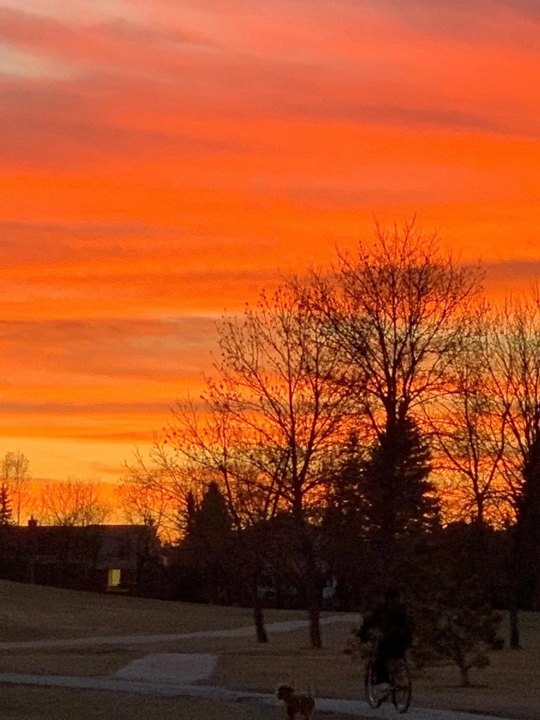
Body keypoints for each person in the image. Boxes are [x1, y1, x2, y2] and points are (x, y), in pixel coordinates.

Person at [357, 587, 413, 688]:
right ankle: (398, 677)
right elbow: (409, 625)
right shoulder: (403, 609)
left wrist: (363, 636)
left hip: (389, 640)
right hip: (402, 640)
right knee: (397, 656)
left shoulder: (382, 610)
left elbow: (369, 623)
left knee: (381, 657)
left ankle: (383, 680)